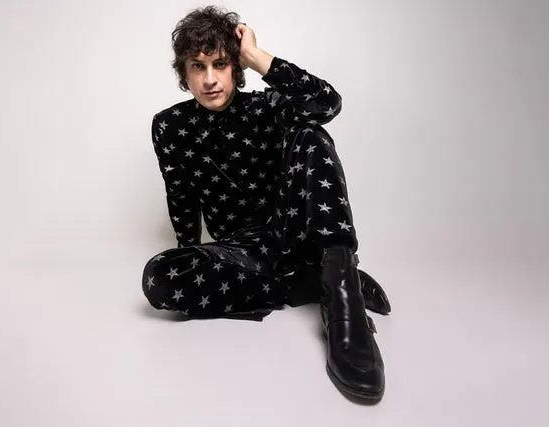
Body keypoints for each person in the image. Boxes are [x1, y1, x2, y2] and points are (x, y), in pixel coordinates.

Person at [141, 5, 392, 401]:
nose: (209, 79)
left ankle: (343, 295)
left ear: (235, 67)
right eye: (197, 67)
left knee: (311, 133)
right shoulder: (170, 125)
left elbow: (327, 103)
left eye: (220, 64)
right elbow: (181, 197)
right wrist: (193, 260)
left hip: (295, 235)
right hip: (245, 250)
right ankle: (309, 282)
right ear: (184, 74)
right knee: (159, 277)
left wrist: (257, 56)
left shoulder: (268, 107)